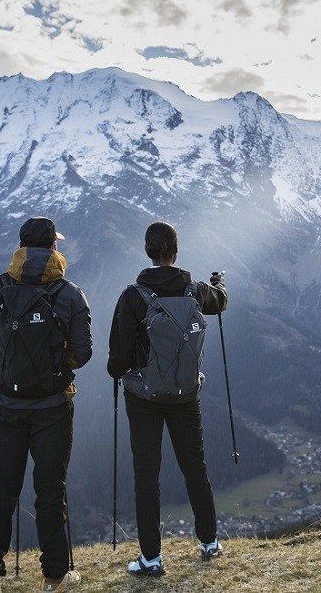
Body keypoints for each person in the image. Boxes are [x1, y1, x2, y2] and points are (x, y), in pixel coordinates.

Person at [0, 216, 92, 593]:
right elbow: (83, 354)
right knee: (50, 489)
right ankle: (55, 576)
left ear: (20, 246)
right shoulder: (70, 294)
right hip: (53, 407)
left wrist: (6, 356)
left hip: (6, 406)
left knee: (1, 490)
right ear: (53, 247)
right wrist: (52, 364)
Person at [107, 221, 227, 576]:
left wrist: (121, 370)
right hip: (185, 395)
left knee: (147, 474)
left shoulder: (133, 297)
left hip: (143, 397)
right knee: (195, 467)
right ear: (176, 251)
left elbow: (117, 358)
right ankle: (208, 542)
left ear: (148, 251)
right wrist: (219, 282)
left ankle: (151, 558)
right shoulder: (195, 290)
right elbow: (220, 302)